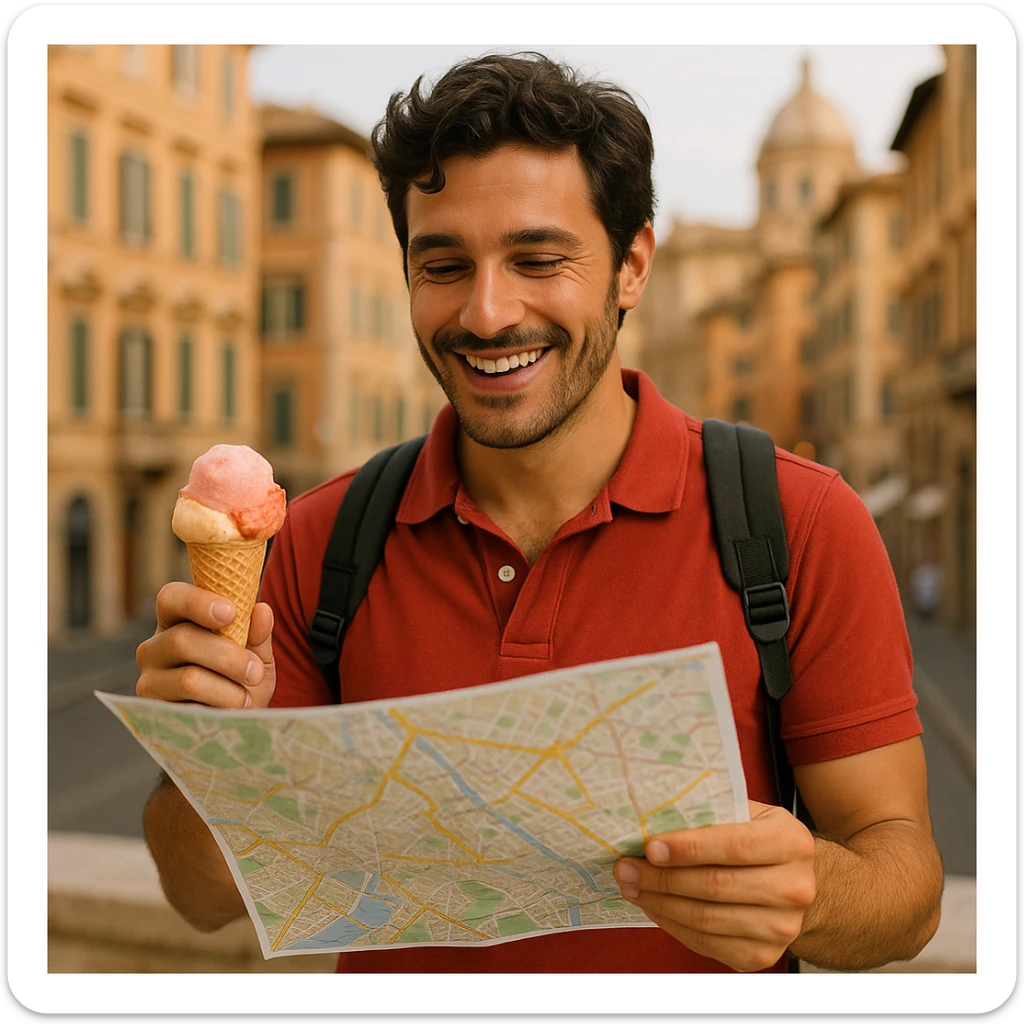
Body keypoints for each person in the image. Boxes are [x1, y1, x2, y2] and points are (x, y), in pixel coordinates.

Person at [136, 52, 943, 975]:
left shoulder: (799, 522)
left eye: (538, 259)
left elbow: (907, 888)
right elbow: (205, 902)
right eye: (443, 264)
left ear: (631, 265)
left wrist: (814, 892)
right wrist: (205, 751)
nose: (486, 313)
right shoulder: (320, 540)